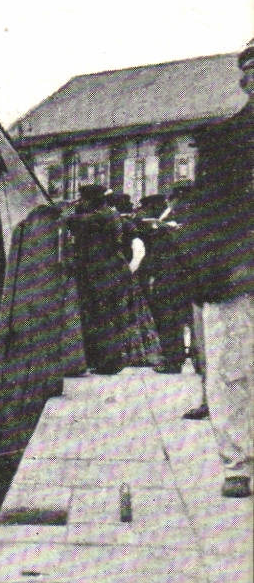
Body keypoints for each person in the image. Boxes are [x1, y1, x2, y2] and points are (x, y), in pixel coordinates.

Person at [176, 37, 253, 498]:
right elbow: (206, 214)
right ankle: (238, 463)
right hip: (238, 273)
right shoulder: (223, 142)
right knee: (232, 369)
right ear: (245, 82)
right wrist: (213, 270)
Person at [66, 184, 160, 374]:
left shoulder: (101, 216)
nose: (82, 203)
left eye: (84, 199)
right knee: (110, 316)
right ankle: (108, 360)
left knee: (105, 316)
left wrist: (66, 210)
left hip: (104, 272)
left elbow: (71, 221)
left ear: (91, 200)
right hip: (112, 270)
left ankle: (109, 362)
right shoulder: (110, 214)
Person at [137, 193, 191, 374]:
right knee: (173, 320)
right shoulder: (171, 221)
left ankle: (172, 360)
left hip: (170, 277)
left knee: (168, 319)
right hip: (173, 276)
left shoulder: (174, 223)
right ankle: (175, 358)